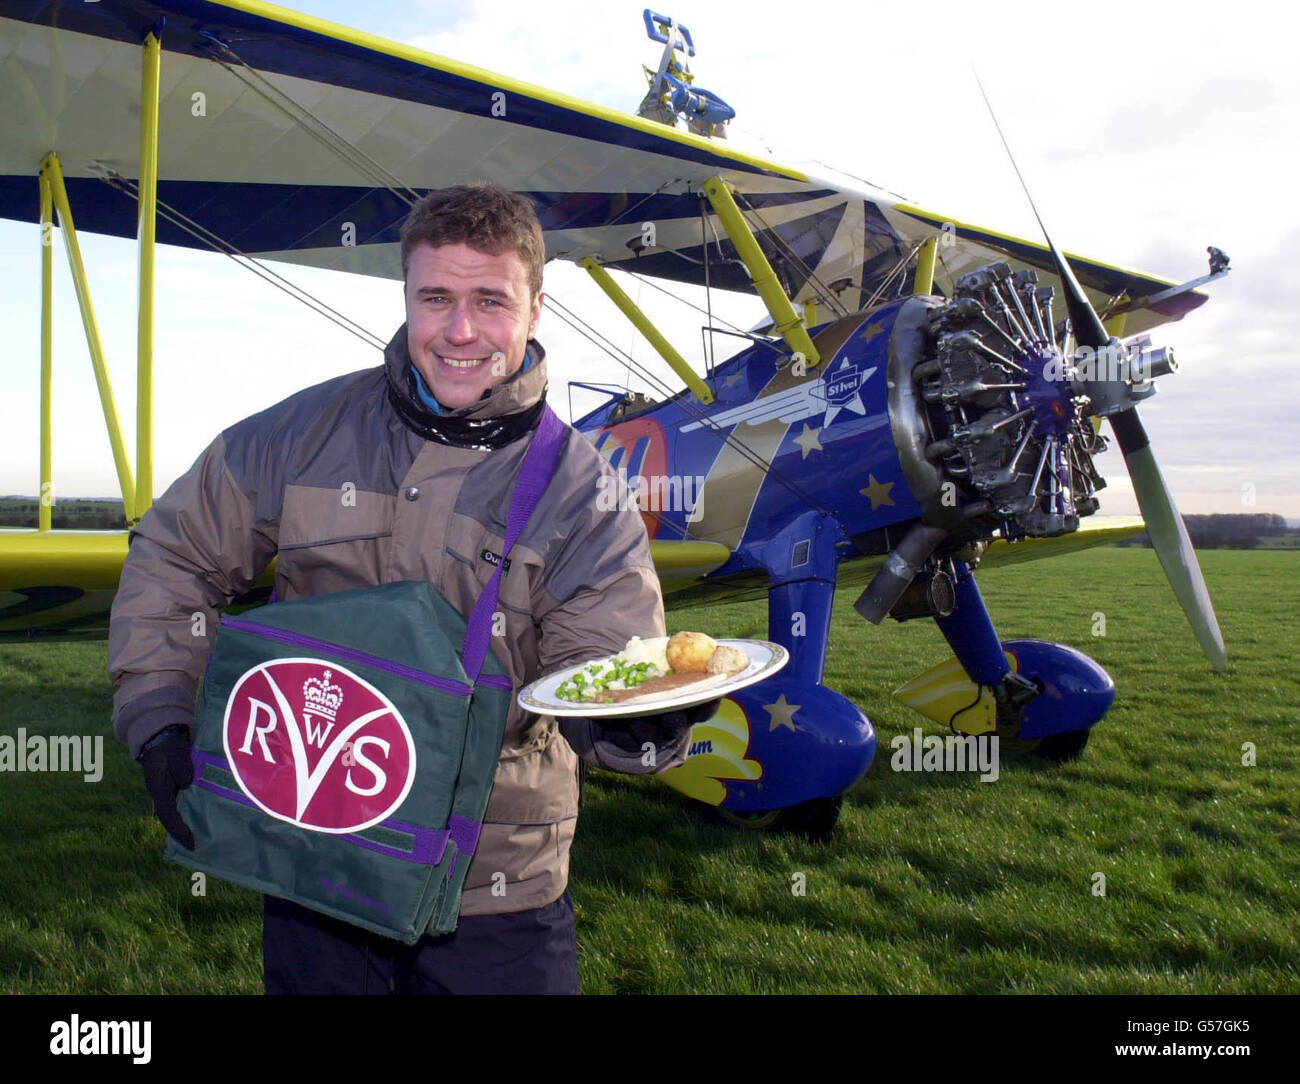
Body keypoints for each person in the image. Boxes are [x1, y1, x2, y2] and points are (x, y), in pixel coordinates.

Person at [109, 183, 713, 995]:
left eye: (489, 300)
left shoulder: (587, 493)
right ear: (406, 299)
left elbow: (598, 659)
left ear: (535, 311)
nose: (460, 331)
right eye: (436, 298)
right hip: (314, 859)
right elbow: (172, 551)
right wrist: (160, 714)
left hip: (497, 892)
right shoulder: (299, 434)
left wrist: (639, 724)